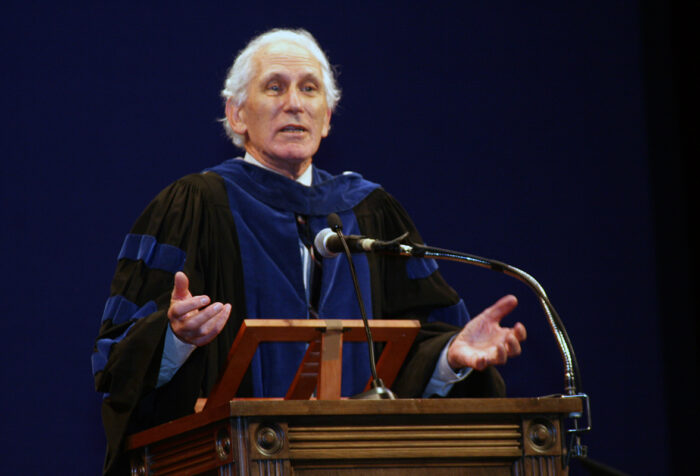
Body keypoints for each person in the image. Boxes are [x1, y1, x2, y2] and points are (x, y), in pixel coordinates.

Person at [92, 28, 527, 475]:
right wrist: (174, 338)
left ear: (327, 117)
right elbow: (119, 360)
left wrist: (448, 357)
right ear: (236, 113)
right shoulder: (193, 207)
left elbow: (415, 344)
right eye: (274, 87)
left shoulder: (372, 213)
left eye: (309, 89)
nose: (294, 103)